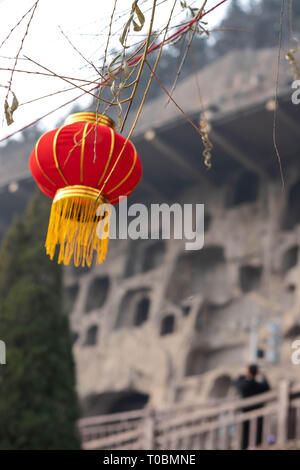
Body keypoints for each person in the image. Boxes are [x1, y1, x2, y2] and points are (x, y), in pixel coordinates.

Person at [235, 364, 270, 449]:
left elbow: (237, 382)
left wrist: (244, 374)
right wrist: (263, 375)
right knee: (257, 438)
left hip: (246, 415)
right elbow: (267, 387)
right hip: (258, 415)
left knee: (245, 439)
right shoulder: (258, 385)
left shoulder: (245, 384)